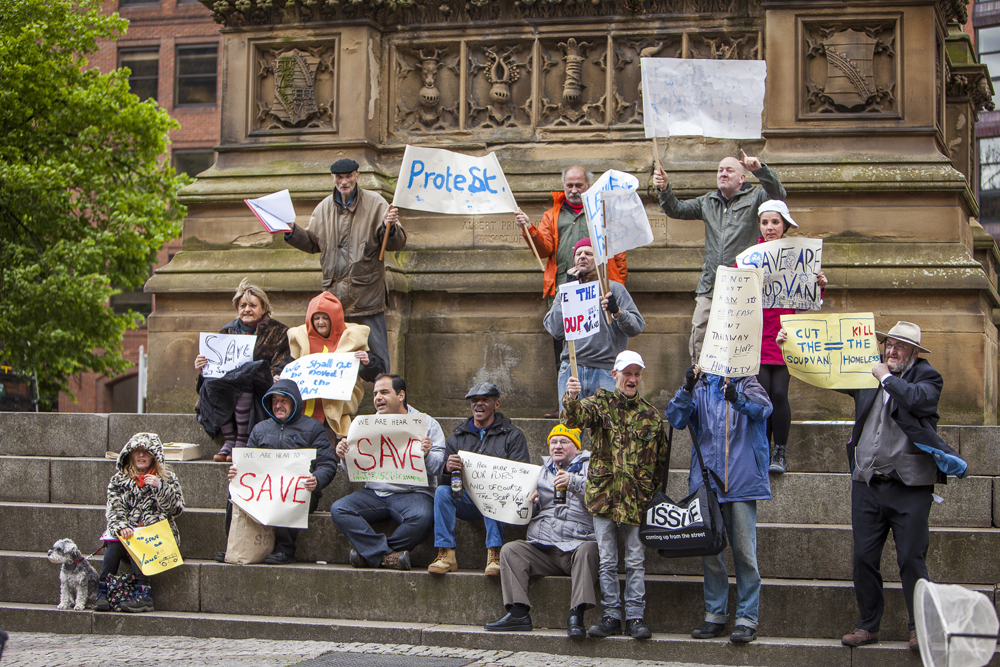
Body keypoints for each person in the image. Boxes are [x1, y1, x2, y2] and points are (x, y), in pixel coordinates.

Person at [794, 321, 966, 651]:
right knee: (863, 557)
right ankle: (868, 625)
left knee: (911, 559)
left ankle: (919, 627)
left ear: (915, 352)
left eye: (899, 346)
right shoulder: (868, 373)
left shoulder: (927, 377)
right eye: (888, 344)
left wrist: (885, 377)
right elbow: (826, 372)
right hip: (868, 483)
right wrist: (791, 347)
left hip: (910, 486)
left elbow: (917, 401)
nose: (891, 351)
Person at [562, 350, 668, 640]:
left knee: (635, 560)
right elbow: (573, 420)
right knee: (607, 560)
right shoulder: (600, 403)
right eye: (627, 373)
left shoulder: (651, 416)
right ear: (615, 375)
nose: (632, 379)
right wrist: (571, 397)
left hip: (636, 498)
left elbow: (660, 464)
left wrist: (653, 496)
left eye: (637, 374)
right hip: (604, 496)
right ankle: (611, 615)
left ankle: (635, 617)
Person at [665, 364, 773, 644]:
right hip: (708, 483)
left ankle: (747, 618)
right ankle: (715, 616)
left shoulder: (747, 380)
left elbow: (764, 410)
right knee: (710, 552)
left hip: (742, 482)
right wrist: (687, 387)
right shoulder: (700, 385)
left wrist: (737, 398)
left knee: (745, 553)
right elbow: (675, 418)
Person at [653, 151, 786, 364]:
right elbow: (676, 209)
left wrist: (760, 170)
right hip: (711, 285)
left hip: (742, 287)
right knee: (700, 334)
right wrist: (664, 188)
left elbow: (778, 196)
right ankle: (699, 384)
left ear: (742, 178)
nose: (723, 174)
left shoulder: (756, 198)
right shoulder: (708, 201)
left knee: (738, 342)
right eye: (720, 170)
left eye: (729, 170)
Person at [515, 166, 627, 416]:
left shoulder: (602, 213)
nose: (574, 190)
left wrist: (617, 286)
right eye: (569, 185)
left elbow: (618, 254)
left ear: (588, 186)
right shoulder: (552, 214)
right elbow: (542, 249)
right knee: (563, 347)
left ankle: (604, 399)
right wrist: (528, 228)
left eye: (579, 185)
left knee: (603, 343)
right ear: (563, 186)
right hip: (565, 288)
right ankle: (566, 403)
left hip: (599, 290)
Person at [284, 158, 406, 368]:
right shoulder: (323, 208)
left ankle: (386, 394)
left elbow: (397, 243)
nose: (344, 181)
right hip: (334, 300)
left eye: (348, 176)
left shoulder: (376, 203)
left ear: (357, 176)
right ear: (333, 178)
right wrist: (291, 230)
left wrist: (390, 227)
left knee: (378, 358)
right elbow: (313, 243)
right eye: (339, 177)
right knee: (336, 359)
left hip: (366, 296)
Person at [484, 425, 599, 638]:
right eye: (553, 442)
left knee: (590, 549)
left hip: (576, 547)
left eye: (564, 441)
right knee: (510, 550)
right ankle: (518, 613)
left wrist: (573, 482)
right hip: (543, 548)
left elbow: (603, 496)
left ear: (576, 447)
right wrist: (531, 503)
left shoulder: (591, 467)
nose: (557, 446)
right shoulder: (539, 472)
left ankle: (576, 615)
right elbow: (522, 514)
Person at [331, 373, 446, 570]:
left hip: (413, 493)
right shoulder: (363, 425)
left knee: (424, 517)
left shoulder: (427, 424)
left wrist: (426, 454)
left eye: (384, 392)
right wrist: (344, 456)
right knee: (339, 509)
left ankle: (369, 554)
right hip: (374, 493)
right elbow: (354, 469)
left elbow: (437, 467)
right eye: (375, 393)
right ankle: (387, 556)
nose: (377, 398)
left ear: (401, 395)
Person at [746, 200, 827, 474]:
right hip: (756, 339)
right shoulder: (748, 257)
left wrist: (819, 287)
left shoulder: (800, 256)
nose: (770, 227)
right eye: (765, 222)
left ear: (785, 226)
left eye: (775, 222)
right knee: (762, 396)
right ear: (760, 225)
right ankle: (763, 450)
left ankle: (779, 451)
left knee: (779, 393)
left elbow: (805, 301)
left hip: (784, 338)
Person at [226, 378, 338, 565]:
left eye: (283, 400)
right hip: (264, 489)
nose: (278, 405)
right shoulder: (260, 428)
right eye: (274, 400)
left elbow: (328, 463)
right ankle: (233, 544)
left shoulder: (313, 428)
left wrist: (316, 479)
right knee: (234, 493)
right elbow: (247, 463)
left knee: (291, 491)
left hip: (301, 490)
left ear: (294, 402)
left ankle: (285, 549)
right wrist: (236, 472)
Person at [428, 381, 530, 576]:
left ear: (496, 405)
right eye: (475, 401)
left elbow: (522, 474)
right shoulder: (457, 437)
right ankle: (446, 554)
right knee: (442, 492)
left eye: (485, 400)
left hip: (499, 502)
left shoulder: (513, 435)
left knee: (491, 491)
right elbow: (444, 483)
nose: (478, 404)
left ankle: (495, 553)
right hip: (466, 500)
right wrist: (447, 470)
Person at [195, 279, 291, 462]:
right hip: (229, 386)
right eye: (242, 305)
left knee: (245, 378)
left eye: (252, 305)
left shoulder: (279, 332)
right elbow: (215, 365)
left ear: (263, 308)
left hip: (261, 386)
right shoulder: (227, 331)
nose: (247, 309)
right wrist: (202, 366)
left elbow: (282, 363)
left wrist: (275, 374)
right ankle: (229, 440)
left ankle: (241, 439)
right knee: (213, 383)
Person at [544, 238, 644, 401]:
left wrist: (618, 312)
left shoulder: (614, 289)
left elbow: (637, 326)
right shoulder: (566, 290)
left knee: (606, 425)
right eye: (578, 253)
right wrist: (568, 293)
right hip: (572, 370)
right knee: (572, 426)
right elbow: (555, 330)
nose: (583, 256)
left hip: (605, 371)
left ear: (599, 260)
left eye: (589, 253)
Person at [97, 432, 185, 613]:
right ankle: (103, 593)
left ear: (154, 456)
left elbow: (176, 509)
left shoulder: (167, 478)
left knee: (141, 540)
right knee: (114, 545)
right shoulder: (118, 480)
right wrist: (121, 527)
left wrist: (160, 487)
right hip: (128, 537)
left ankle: (143, 596)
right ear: (129, 454)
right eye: (137, 452)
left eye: (146, 451)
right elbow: (114, 510)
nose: (141, 455)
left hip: (157, 539)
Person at [286, 291, 386, 442]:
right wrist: (280, 376)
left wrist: (367, 362)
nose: (320, 322)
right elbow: (287, 365)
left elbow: (377, 372)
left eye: (325, 318)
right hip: (301, 414)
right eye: (316, 318)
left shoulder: (351, 339)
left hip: (334, 417)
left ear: (335, 318)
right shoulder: (301, 339)